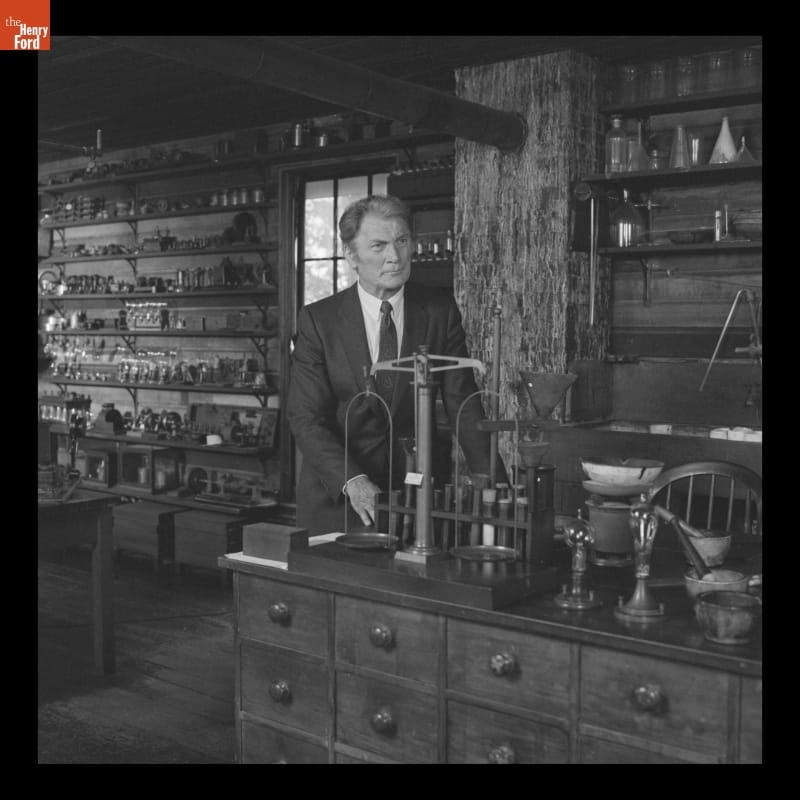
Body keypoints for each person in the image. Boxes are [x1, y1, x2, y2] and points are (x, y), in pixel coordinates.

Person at [287, 194, 499, 536]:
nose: (395, 256)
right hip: (338, 496)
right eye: (379, 245)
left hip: (416, 497)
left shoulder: (439, 311)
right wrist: (353, 480)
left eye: (401, 241)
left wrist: (497, 489)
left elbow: (464, 405)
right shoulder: (318, 320)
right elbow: (305, 417)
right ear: (351, 255)